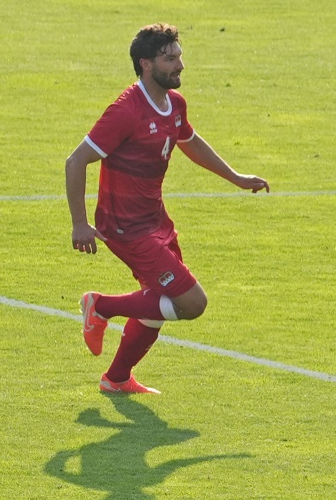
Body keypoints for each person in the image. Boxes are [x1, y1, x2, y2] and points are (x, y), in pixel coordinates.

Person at [65, 23, 269, 394]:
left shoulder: (174, 104)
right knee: (191, 302)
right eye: (170, 59)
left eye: (179, 56)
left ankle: (116, 379)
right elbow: (75, 161)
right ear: (146, 64)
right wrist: (79, 223)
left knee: (158, 304)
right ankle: (101, 307)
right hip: (125, 226)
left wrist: (236, 178)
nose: (180, 65)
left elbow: (189, 141)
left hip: (155, 220)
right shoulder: (126, 111)